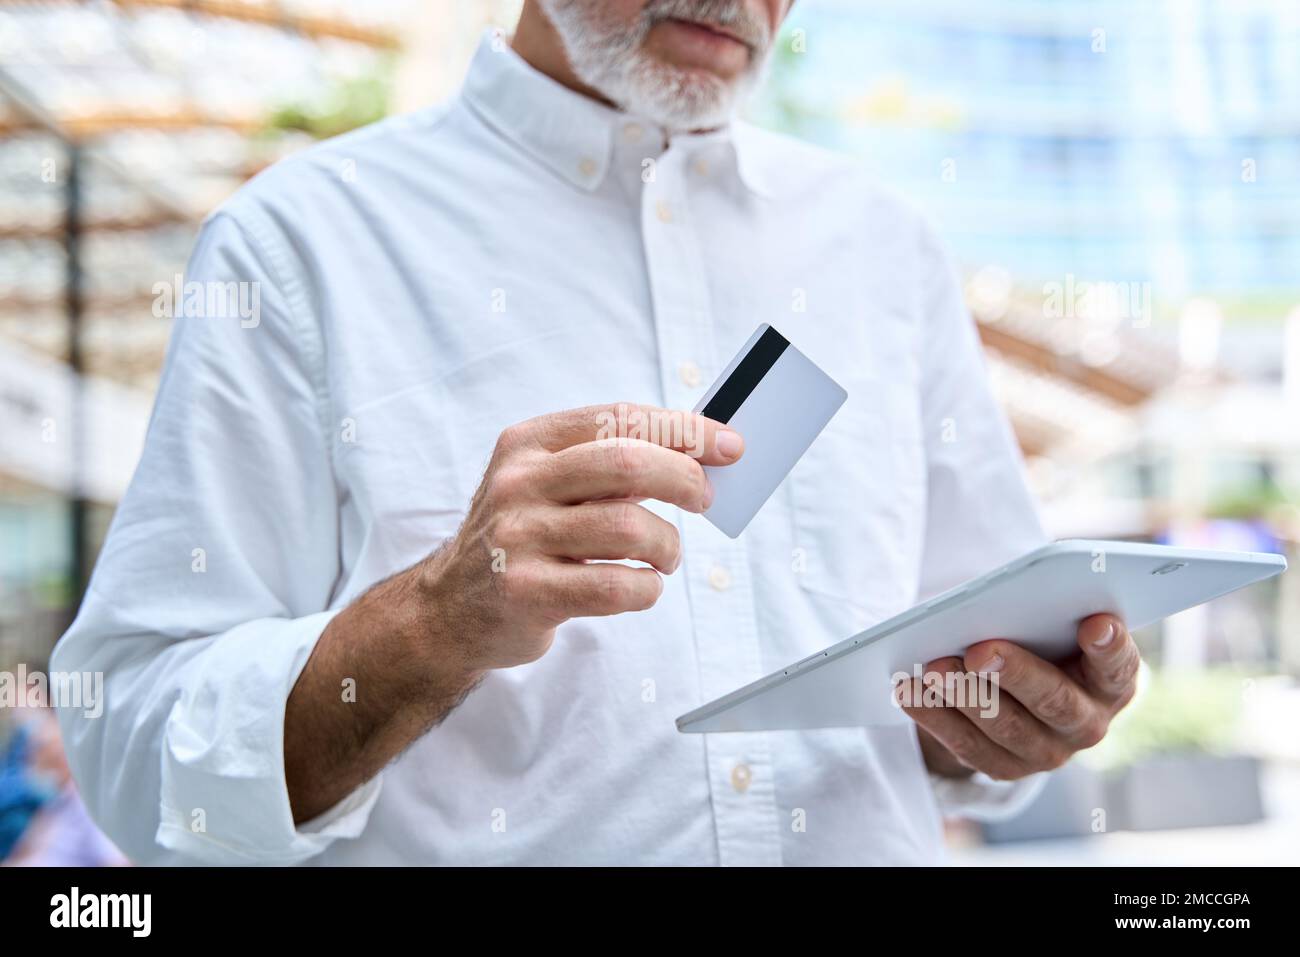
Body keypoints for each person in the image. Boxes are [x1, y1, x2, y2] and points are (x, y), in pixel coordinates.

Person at [53, 0, 1140, 865]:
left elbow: (968, 671)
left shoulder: (884, 249)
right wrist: (434, 622)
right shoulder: (302, 241)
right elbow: (134, 745)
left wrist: (1012, 713)